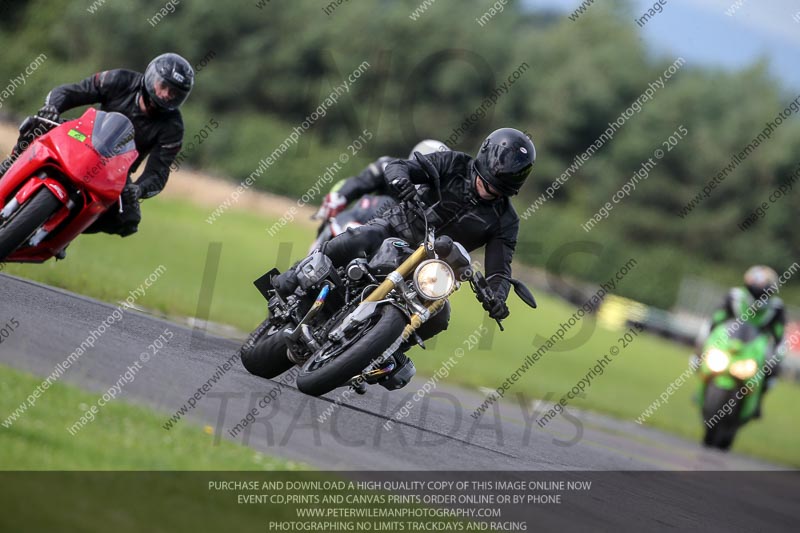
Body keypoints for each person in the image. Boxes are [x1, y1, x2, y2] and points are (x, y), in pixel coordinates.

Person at [274, 128, 536, 388]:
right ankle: (297, 274)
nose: (488, 191)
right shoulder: (454, 163)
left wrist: (497, 297)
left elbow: (499, 269)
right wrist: (401, 179)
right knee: (360, 237)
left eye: (496, 190)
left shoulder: (506, 221)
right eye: (486, 183)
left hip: (431, 270)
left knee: (440, 317)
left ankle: (383, 351)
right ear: (485, 157)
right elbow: (402, 166)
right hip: (398, 229)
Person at [0, 53, 194, 238]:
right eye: (164, 86)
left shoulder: (173, 128)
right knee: (37, 124)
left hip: (115, 171)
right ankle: (11, 164)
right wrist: (52, 108)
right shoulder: (119, 79)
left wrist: (138, 190)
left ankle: (66, 232)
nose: (166, 95)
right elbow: (70, 92)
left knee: (129, 219)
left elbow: (158, 173)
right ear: (152, 78)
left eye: (174, 93)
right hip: (79, 137)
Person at [708, 265, 785, 416]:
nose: (758, 287)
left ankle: (758, 401)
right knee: (707, 348)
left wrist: (776, 349)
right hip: (730, 340)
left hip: (755, 346)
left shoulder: (776, 307)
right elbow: (718, 317)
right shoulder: (735, 296)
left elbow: (779, 333)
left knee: (772, 363)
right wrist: (713, 333)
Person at [314, 139, 449, 221]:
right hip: (360, 222)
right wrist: (340, 196)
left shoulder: (439, 197)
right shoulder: (388, 166)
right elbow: (360, 182)